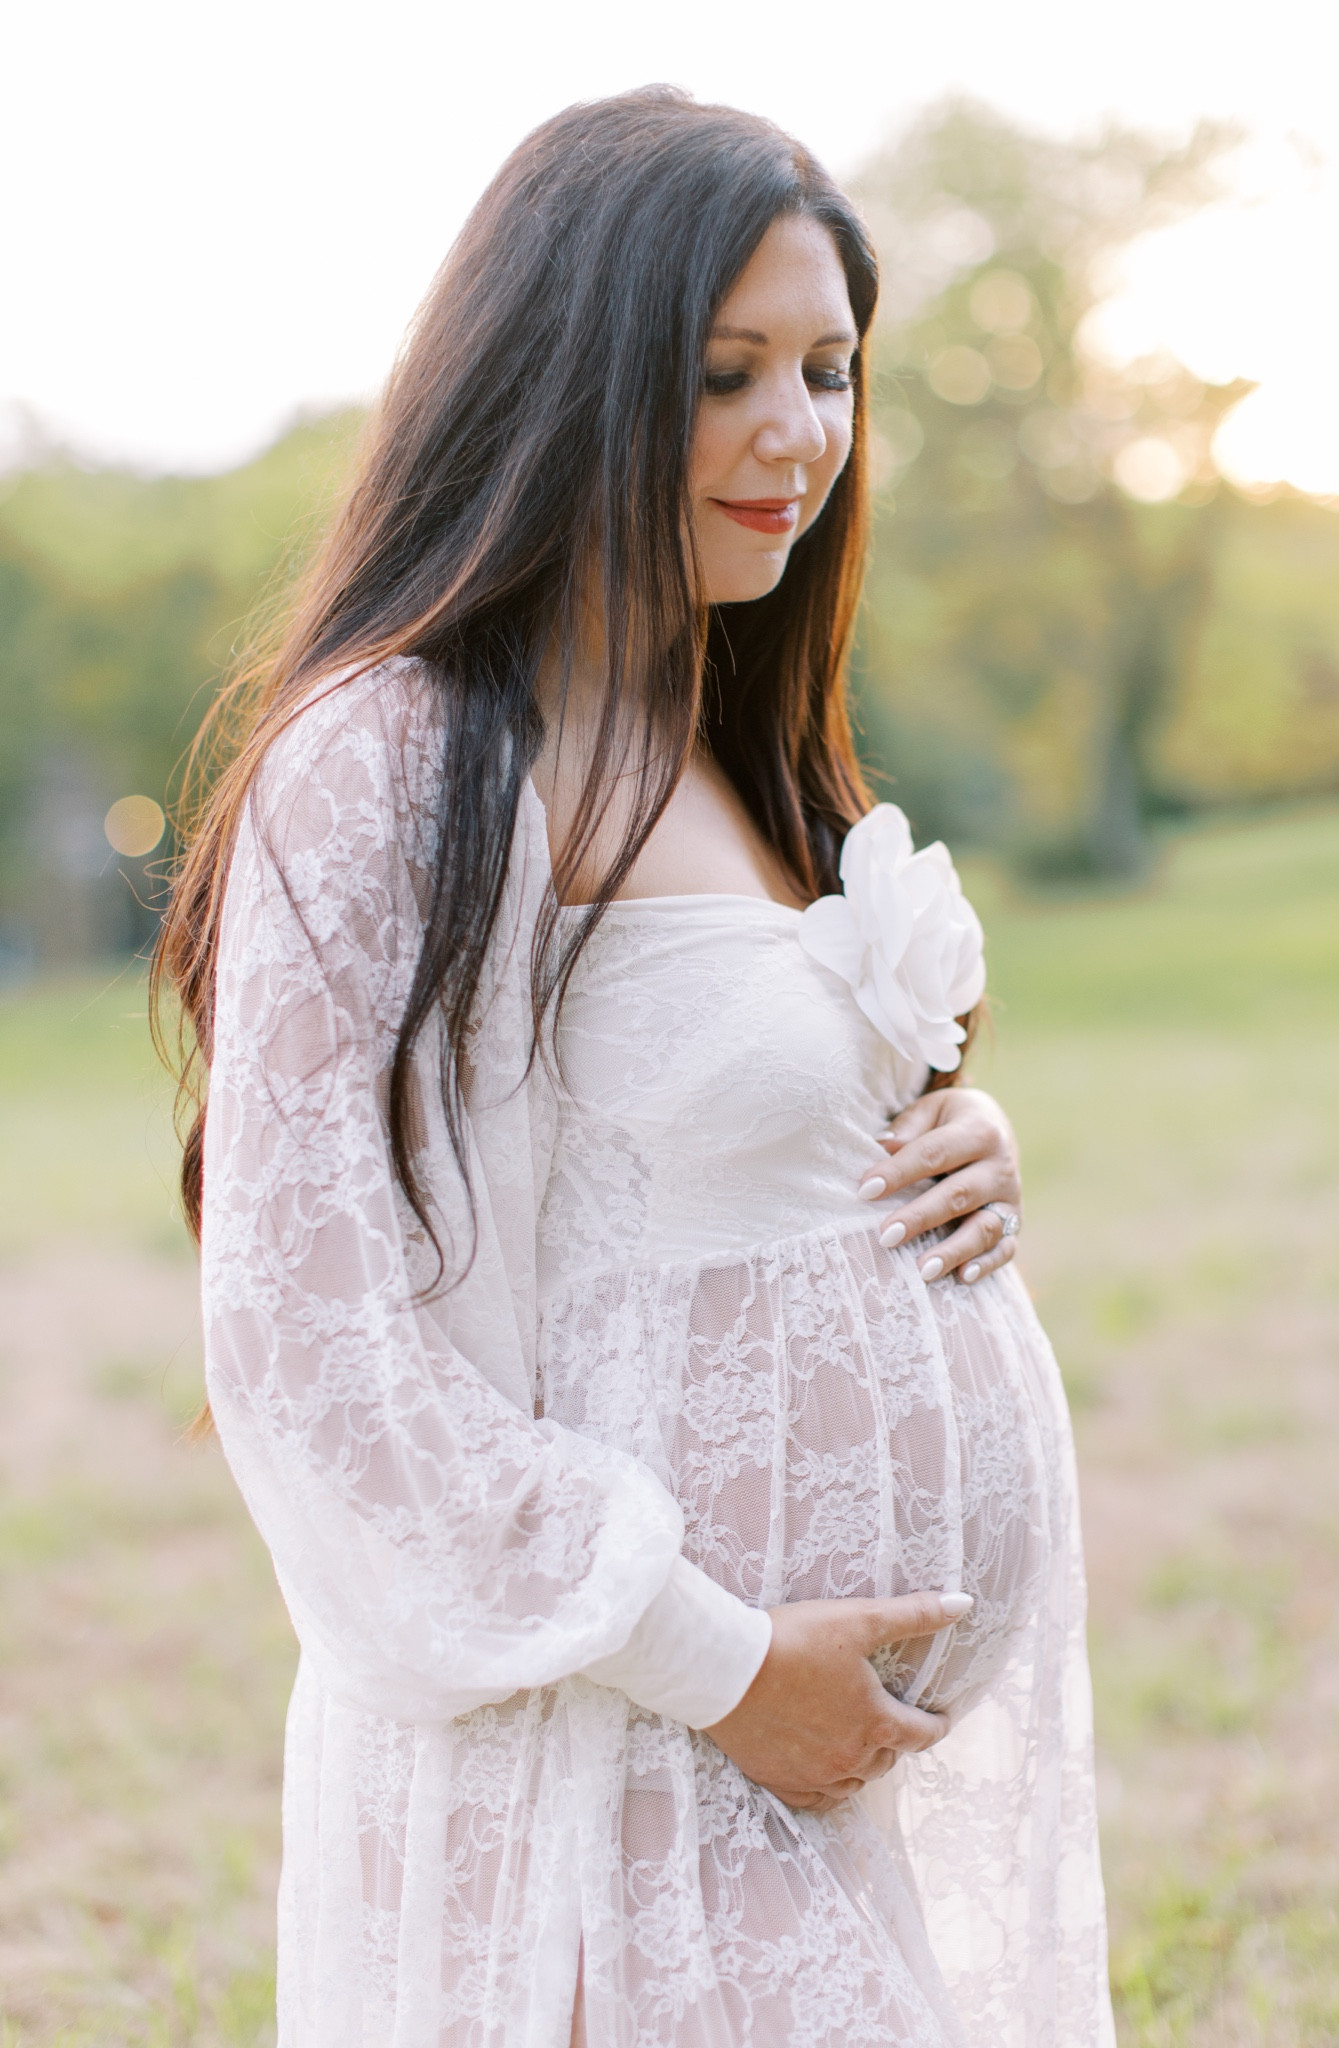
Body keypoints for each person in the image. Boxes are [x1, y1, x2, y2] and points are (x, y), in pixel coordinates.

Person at [156, 87, 1112, 2047]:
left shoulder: (729, 729)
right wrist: (716, 1660)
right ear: (561, 380)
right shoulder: (395, 759)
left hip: (787, 1790)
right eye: (722, 373)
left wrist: (952, 1136)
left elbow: (718, 1120)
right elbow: (307, 1346)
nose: (799, 434)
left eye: (830, 371)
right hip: (610, 1764)